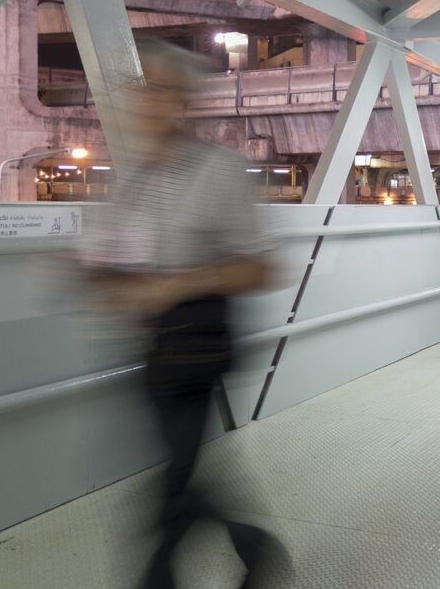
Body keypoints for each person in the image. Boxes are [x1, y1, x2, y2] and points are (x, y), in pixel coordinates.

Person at [80, 40, 289, 589]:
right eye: (138, 92)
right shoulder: (135, 180)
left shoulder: (219, 171)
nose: (141, 104)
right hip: (151, 349)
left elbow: (262, 269)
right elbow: (112, 257)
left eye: (155, 92)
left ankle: (166, 575)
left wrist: (180, 282)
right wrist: (97, 276)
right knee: (183, 473)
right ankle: (254, 546)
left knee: (175, 483)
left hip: (201, 344)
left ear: (181, 103)